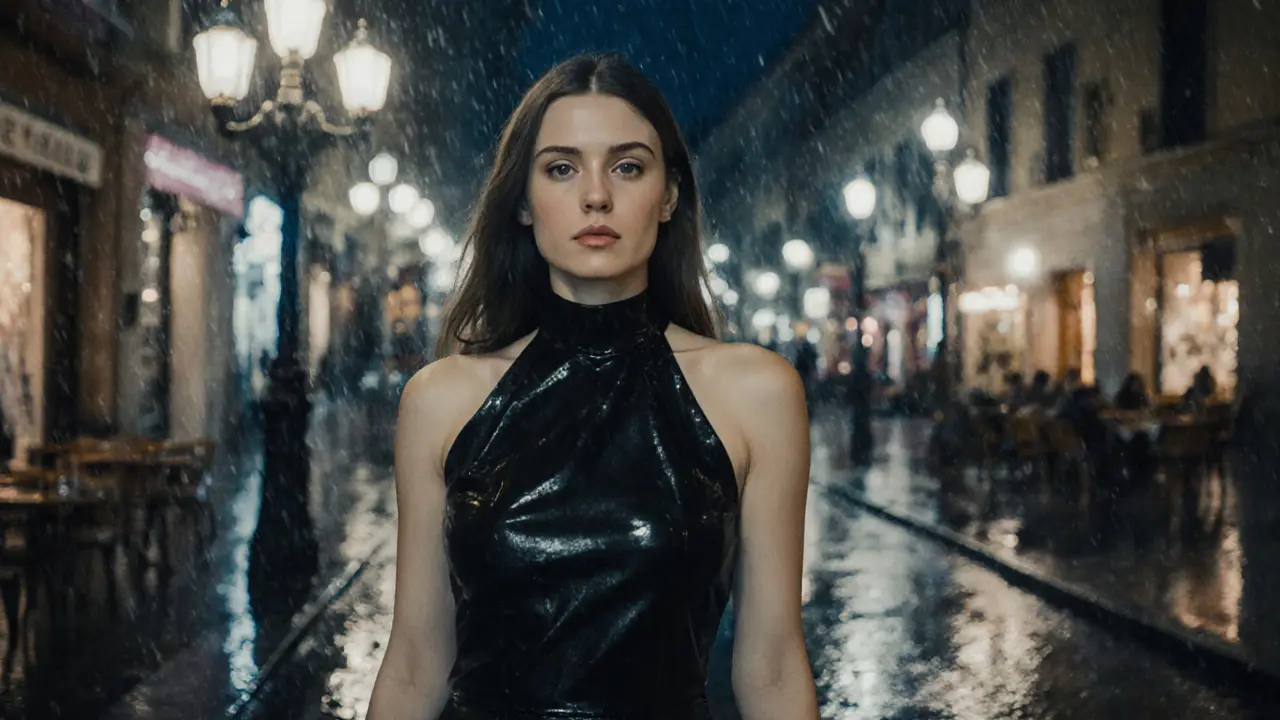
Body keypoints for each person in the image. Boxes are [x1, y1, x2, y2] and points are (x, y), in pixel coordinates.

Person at [368, 54, 818, 720]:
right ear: (521, 201)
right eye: (561, 168)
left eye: (628, 166)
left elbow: (775, 668)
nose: (596, 195)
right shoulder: (442, 399)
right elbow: (413, 664)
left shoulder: (755, 393)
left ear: (668, 195)